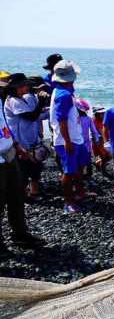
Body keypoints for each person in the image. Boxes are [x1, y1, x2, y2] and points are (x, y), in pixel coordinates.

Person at [49, 60, 93, 213]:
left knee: (80, 166)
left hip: (76, 136)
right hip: (67, 139)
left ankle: (80, 193)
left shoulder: (62, 90)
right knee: (68, 171)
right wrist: (67, 141)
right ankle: (68, 201)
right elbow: (61, 120)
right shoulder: (63, 95)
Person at [0, 108, 45, 257]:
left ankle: (19, 233)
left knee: (17, 195)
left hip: (9, 153)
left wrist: (16, 145)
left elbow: (4, 122)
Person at [3, 73, 49, 200]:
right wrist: (41, 103)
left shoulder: (21, 99)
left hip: (30, 139)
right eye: (23, 86)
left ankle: (34, 191)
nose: (26, 88)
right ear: (15, 87)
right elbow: (31, 117)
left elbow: (33, 116)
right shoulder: (13, 101)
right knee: (24, 170)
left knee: (36, 167)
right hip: (22, 142)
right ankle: (24, 196)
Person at [75, 98, 100, 184]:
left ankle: (80, 178)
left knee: (79, 162)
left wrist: (96, 140)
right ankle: (88, 178)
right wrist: (96, 140)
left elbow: (93, 131)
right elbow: (94, 131)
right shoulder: (88, 118)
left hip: (78, 143)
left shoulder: (74, 119)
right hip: (86, 144)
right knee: (87, 162)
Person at [90, 105, 111, 175]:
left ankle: (97, 163)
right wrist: (98, 141)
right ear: (96, 114)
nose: (103, 114)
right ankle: (104, 172)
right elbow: (93, 133)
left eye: (103, 113)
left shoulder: (104, 119)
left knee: (109, 157)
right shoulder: (93, 121)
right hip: (97, 142)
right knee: (104, 158)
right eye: (101, 113)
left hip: (104, 141)